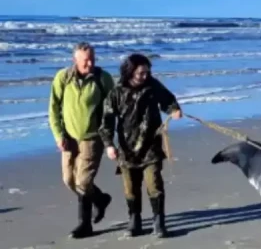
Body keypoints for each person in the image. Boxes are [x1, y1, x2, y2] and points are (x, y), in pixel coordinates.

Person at [99, 53, 182, 238]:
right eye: (141, 73)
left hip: (151, 145)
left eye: (147, 72)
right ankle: (134, 221)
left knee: (154, 184)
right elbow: (107, 120)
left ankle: (159, 222)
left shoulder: (152, 86)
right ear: (130, 72)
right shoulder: (117, 92)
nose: (145, 76)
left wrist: (174, 109)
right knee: (130, 188)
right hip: (126, 149)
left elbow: (167, 100)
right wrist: (108, 145)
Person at [48, 42, 115, 239]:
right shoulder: (63, 77)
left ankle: (84, 225)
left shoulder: (103, 79)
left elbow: (112, 109)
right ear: (74, 60)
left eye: (93, 59)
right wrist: (58, 135)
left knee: (83, 182)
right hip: (69, 139)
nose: (90, 63)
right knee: (69, 180)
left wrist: (109, 138)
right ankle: (100, 199)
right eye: (86, 60)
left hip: (92, 138)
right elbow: (53, 109)